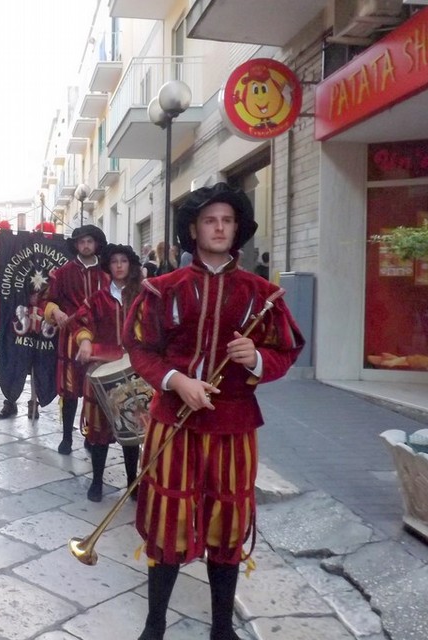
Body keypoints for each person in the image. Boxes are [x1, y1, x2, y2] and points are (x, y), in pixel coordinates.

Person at [123, 183, 304, 640]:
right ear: (194, 229)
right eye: (210, 220)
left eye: (227, 220)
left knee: (227, 527)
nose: (219, 227)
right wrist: (176, 381)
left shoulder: (262, 293)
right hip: (173, 424)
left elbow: (286, 349)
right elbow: (141, 347)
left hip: (234, 426)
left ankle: (222, 628)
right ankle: (154, 625)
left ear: (237, 228)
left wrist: (256, 359)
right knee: (168, 521)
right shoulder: (162, 289)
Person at [73, 244, 144, 502]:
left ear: (130, 265)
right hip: (102, 371)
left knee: (131, 430)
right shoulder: (96, 299)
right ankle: (96, 482)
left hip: (133, 371)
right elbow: (83, 323)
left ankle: (132, 482)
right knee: (99, 432)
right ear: (109, 267)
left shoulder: (142, 297)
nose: (119, 265)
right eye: (114, 261)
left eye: (123, 260)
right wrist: (84, 341)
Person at [44, 224, 109, 454]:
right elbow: (47, 300)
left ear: (96, 244)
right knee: (70, 391)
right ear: (76, 245)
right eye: (81, 242)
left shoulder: (106, 273)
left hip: (100, 338)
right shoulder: (63, 272)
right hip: (70, 337)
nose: (85, 245)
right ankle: (66, 437)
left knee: (96, 389)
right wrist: (56, 312)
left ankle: (91, 435)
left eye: (89, 241)